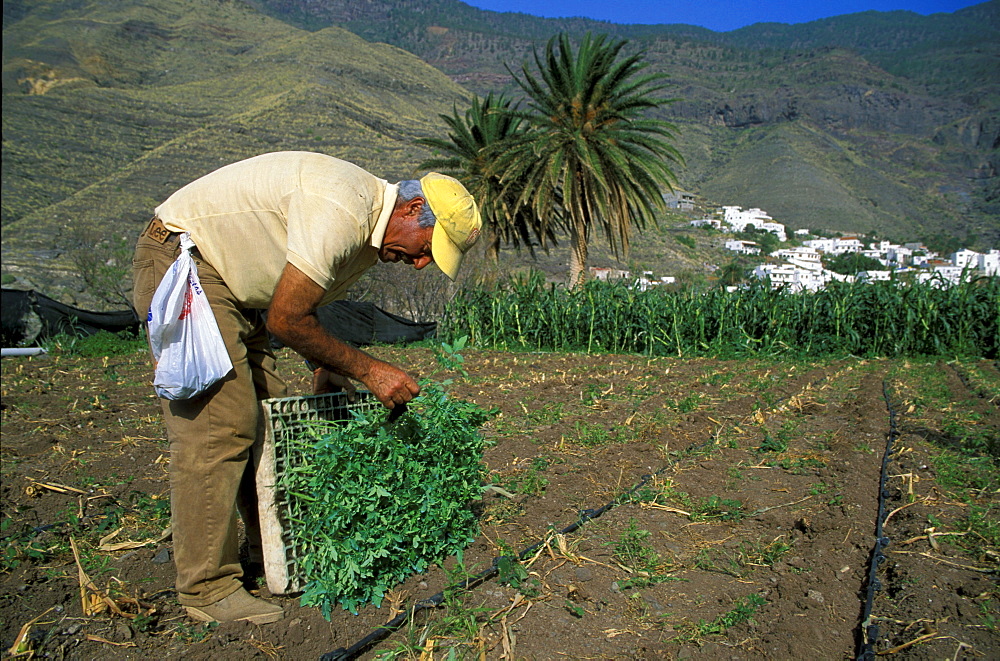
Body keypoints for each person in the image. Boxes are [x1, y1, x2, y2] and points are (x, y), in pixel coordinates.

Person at [131, 151, 481, 625]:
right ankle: (207, 589)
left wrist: (326, 364)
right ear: (408, 210)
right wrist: (369, 371)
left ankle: (270, 555)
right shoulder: (342, 210)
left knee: (271, 419)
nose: (421, 264)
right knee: (221, 428)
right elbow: (287, 318)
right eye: (427, 247)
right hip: (189, 265)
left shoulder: (369, 236)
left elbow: (302, 308)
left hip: (235, 289)